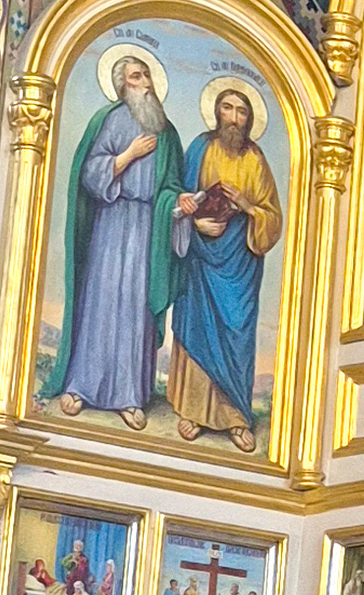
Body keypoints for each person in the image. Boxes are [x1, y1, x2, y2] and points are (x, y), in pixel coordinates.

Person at [47, 50, 183, 424]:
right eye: (137, 77)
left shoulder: (166, 133)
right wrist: (127, 156)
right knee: (102, 303)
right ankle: (81, 385)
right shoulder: (107, 120)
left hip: (146, 229)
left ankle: (130, 395)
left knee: (136, 309)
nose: (145, 84)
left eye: (148, 77)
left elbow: (171, 185)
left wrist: (177, 203)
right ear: (123, 84)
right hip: (111, 222)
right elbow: (90, 174)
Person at [166, 81, 281, 450]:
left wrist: (248, 206)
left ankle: (236, 417)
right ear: (217, 113)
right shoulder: (201, 148)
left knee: (236, 333)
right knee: (198, 327)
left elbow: (273, 218)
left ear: (249, 119)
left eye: (241, 111)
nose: (233, 118)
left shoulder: (256, 160)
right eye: (228, 109)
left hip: (240, 265)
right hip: (202, 257)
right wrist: (195, 222)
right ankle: (193, 410)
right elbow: (181, 199)